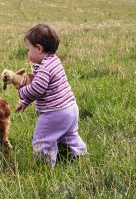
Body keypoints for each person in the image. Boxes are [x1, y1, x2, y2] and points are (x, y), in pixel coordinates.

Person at [16, 24, 87, 167]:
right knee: (69, 135)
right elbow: (42, 88)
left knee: (42, 140)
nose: (27, 54)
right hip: (70, 109)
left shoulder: (44, 69)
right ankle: (79, 156)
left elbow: (37, 89)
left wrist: (21, 89)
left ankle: (44, 167)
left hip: (55, 112)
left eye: (28, 50)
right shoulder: (54, 61)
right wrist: (25, 101)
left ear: (39, 48)